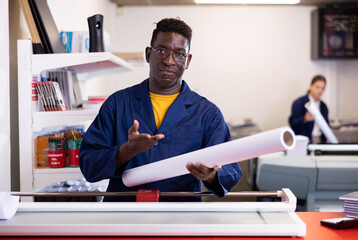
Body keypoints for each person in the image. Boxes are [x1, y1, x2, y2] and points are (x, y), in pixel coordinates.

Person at [79, 18, 242, 202]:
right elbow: (88, 164)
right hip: (124, 215)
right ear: (148, 54)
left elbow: (230, 170)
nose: (169, 61)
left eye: (179, 54)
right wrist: (126, 150)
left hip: (179, 217)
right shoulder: (118, 103)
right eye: (162, 51)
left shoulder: (206, 113)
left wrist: (210, 175)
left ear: (187, 60)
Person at [289, 75, 329, 144]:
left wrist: (327, 137)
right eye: (317, 87)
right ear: (311, 86)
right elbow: (292, 123)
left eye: (323, 88)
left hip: (320, 141)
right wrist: (304, 118)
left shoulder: (323, 106)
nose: (320, 91)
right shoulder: (299, 102)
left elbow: (326, 125)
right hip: (304, 141)